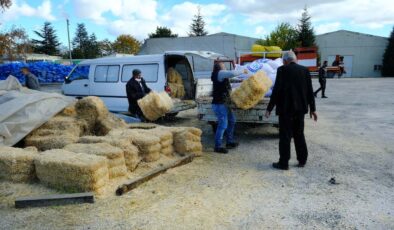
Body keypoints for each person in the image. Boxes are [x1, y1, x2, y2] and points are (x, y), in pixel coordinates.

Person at [265, 51, 318, 170]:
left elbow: (276, 91)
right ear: (296, 59)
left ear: (284, 61)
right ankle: (302, 160)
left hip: (285, 110)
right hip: (300, 110)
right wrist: (313, 109)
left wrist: (269, 108)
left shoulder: (282, 70)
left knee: (285, 136)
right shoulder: (305, 70)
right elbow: (310, 91)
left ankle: (284, 163)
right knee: (299, 135)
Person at [211, 61, 247, 154]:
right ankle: (217, 147)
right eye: (223, 65)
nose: (225, 66)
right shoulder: (219, 73)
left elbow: (229, 80)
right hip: (219, 104)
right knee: (223, 125)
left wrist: (239, 81)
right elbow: (232, 73)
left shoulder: (221, 75)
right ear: (219, 67)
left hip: (225, 103)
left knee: (232, 121)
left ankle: (229, 142)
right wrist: (243, 70)